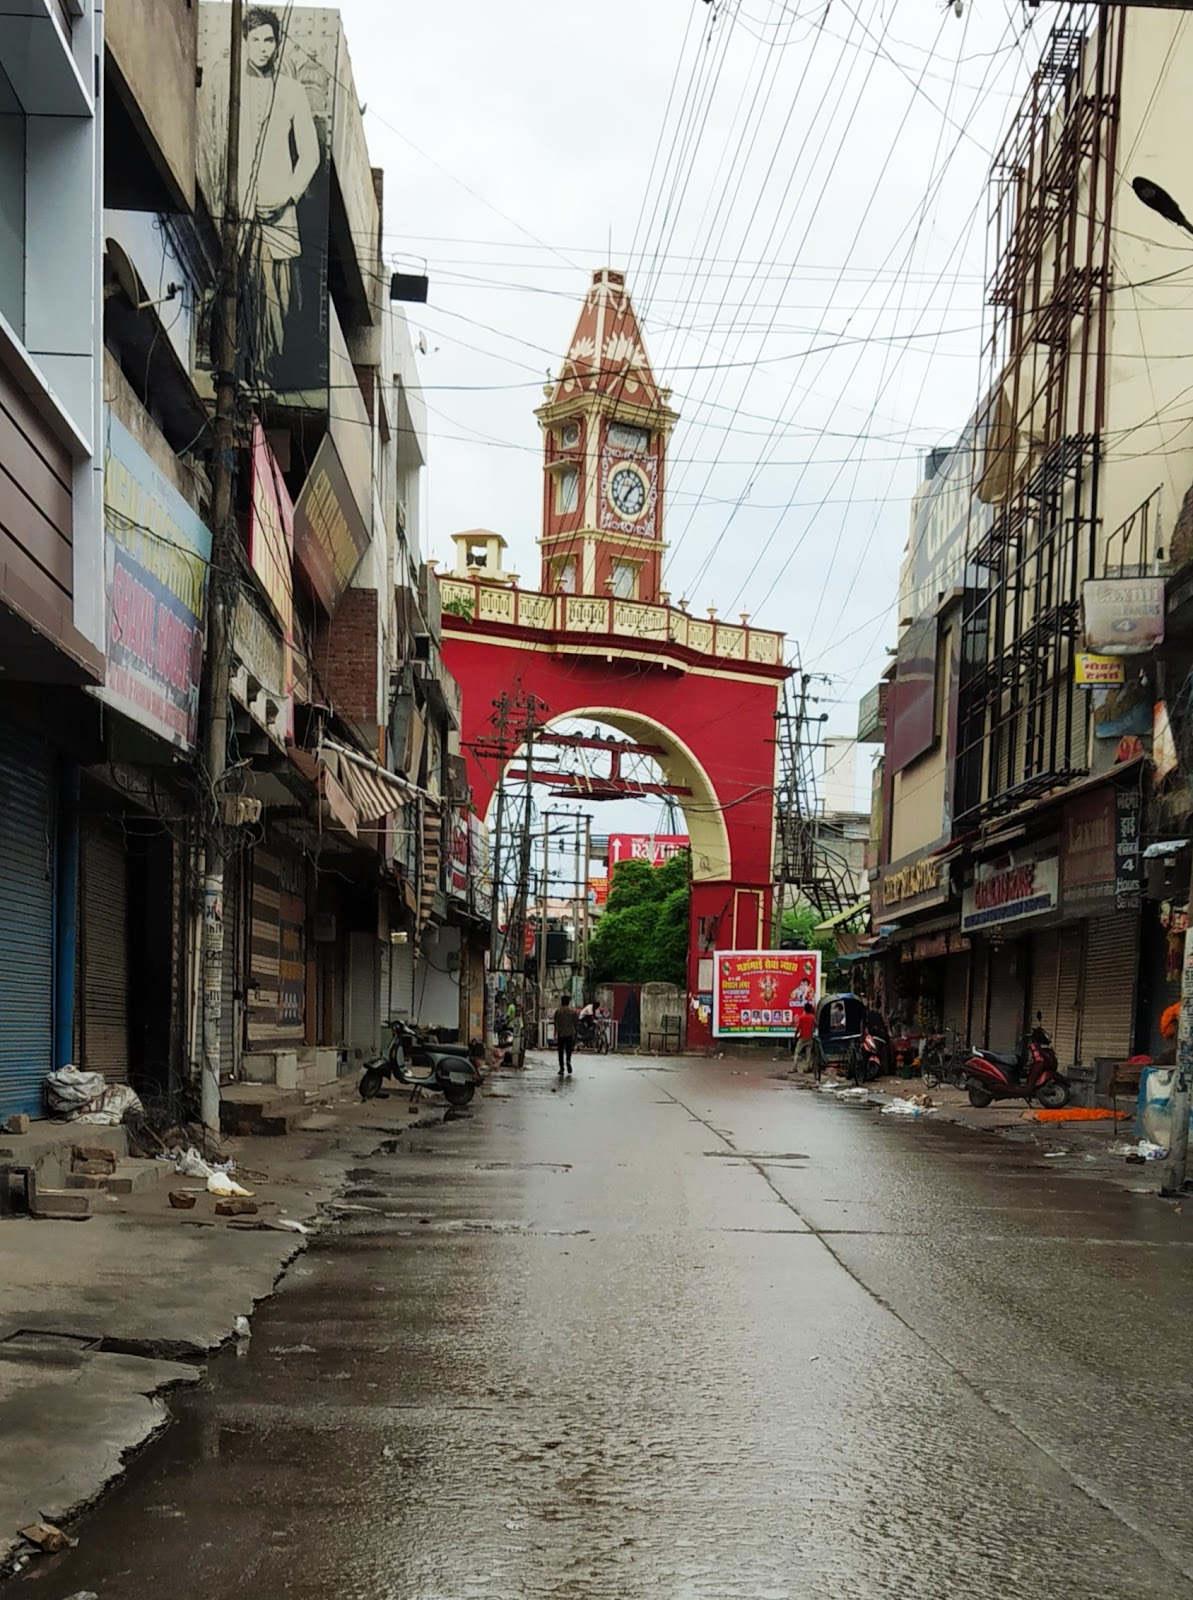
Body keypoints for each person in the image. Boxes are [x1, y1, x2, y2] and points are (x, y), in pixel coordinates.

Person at [239, 7, 321, 380]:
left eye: (268, 40)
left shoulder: (290, 90)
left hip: (279, 209)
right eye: (255, 40)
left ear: (277, 43)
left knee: (280, 296)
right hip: (239, 210)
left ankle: (269, 366)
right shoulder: (230, 85)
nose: (262, 48)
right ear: (245, 41)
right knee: (243, 291)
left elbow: (310, 154)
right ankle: (246, 368)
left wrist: (288, 195)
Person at [553, 994, 577, 1077]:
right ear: (568, 1002)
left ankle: (561, 1068)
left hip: (561, 1034)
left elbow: (556, 1024)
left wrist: (555, 1034)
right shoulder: (572, 1012)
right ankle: (568, 1061)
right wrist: (575, 1034)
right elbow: (575, 1023)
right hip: (570, 1034)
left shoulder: (558, 1011)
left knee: (560, 1052)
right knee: (568, 1050)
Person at [792, 1002, 816, 1074]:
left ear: (804, 1009)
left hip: (802, 1037)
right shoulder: (812, 1017)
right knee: (808, 1053)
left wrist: (795, 1037)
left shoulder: (802, 1017)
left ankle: (794, 1067)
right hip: (810, 1037)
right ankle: (806, 1068)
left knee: (797, 1052)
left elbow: (798, 1028)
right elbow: (816, 1025)